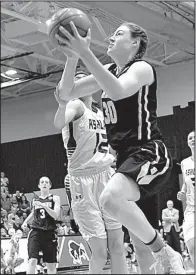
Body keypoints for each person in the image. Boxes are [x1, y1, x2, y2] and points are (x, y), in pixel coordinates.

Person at [54, 20, 186, 274]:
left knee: (110, 199)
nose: (112, 38)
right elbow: (64, 94)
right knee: (139, 243)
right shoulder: (109, 69)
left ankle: (166, 252)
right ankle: (165, 257)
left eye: (119, 33)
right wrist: (72, 58)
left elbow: (117, 91)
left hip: (148, 152)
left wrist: (85, 52)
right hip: (125, 161)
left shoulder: (142, 68)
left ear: (135, 42)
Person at [54, 71, 127, 274]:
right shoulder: (74, 105)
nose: (81, 81)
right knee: (100, 251)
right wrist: (61, 105)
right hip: (82, 179)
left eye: (84, 77)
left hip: (106, 174)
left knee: (118, 246)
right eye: (76, 78)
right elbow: (59, 123)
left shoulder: (101, 110)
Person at [21, 176, 60, 274]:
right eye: (42, 182)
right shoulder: (35, 200)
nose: (44, 184)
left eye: (47, 182)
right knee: (32, 260)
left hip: (49, 233)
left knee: (50, 265)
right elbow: (33, 213)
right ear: (39, 185)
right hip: (36, 231)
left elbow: (55, 215)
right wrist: (25, 222)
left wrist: (43, 205)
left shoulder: (55, 198)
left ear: (50, 185)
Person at [177, 130, 195, 265]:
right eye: (190, 138)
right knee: (191, 246)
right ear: (188, 143)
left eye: (195, 137)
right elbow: (185, 183)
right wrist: (182, 192)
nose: (193, 139)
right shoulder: (185, 163)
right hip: (191, 208)